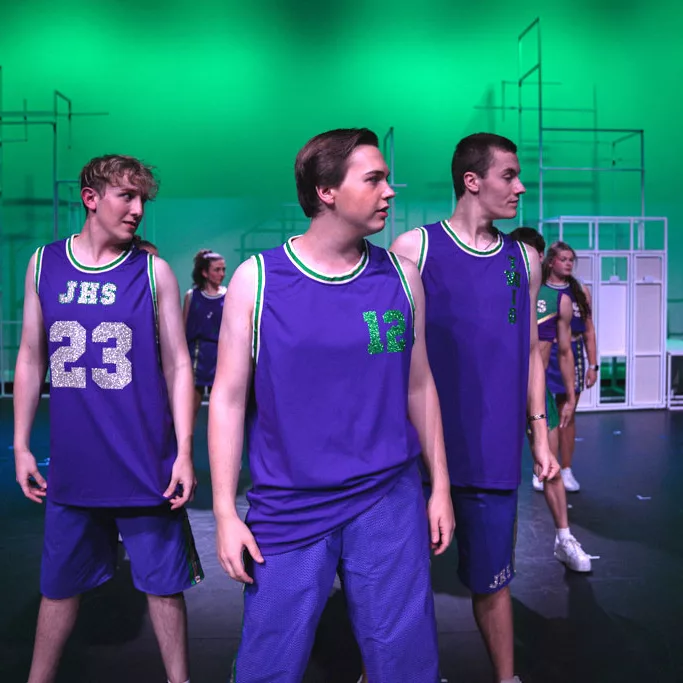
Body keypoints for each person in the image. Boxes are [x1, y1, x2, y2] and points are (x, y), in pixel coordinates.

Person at [208, 128, 454, 683]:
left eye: (386, 178)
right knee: (268, 664)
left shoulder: (402, 277)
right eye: (374, 179)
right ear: (326, 191)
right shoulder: (259, 280)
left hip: (388, 496)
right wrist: (224, 511)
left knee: (405, 663)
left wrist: (438, 485)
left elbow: (420, 386)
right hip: (290, 502)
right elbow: (225, 399)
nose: (389, 191)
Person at [13, 154, 202, 683]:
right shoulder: (44, 263)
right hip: (75, 463)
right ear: (91, 198)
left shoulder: (152, 270)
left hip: (146, 461)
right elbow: (31, 356)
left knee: (164, 586)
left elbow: (179, 364)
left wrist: (185, 451)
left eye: (144, 199)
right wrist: (23, 444)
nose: (139, 209)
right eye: (127, 196)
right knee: (58, 586)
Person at [391, 132, 559, 683]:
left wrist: (539, 433)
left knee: (493, 581)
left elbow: (533, 355)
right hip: (420, 454)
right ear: (472, 180)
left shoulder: (525, 258)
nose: (520, 186)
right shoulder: (414, 250)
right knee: (402, 584)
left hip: (492, 455)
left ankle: (505, 678)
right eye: (509, 175)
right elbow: (396, 360)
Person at [510, 227, 592, 572]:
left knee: (550, 462)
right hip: (495, 390)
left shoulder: (554, 298)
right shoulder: (497, 291)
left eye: (533, 256)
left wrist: (571, 395)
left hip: (534, 390)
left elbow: (563, 349)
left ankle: (564, 538)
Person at [544, 241, 598, 492]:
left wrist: (593, 365)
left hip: (572, 354)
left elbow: (588, 330)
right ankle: (544, 466)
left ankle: (566, 469)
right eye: (563, 259)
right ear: (551, 261)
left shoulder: (580, 292)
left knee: (567, 411)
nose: (567, 264)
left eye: (570, 260)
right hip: (544, 352)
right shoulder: (539, 290)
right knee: (542, 412)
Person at [183, 249, 227, 422]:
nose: (222, 274)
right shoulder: (192, 296)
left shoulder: (229, 296)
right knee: (189, 414)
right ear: (204, 272)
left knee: (221, 414)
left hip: (220, 357)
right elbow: (182, 329)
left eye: (223, 269)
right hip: (196, 357)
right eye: (217, 269)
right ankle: (185, 448)